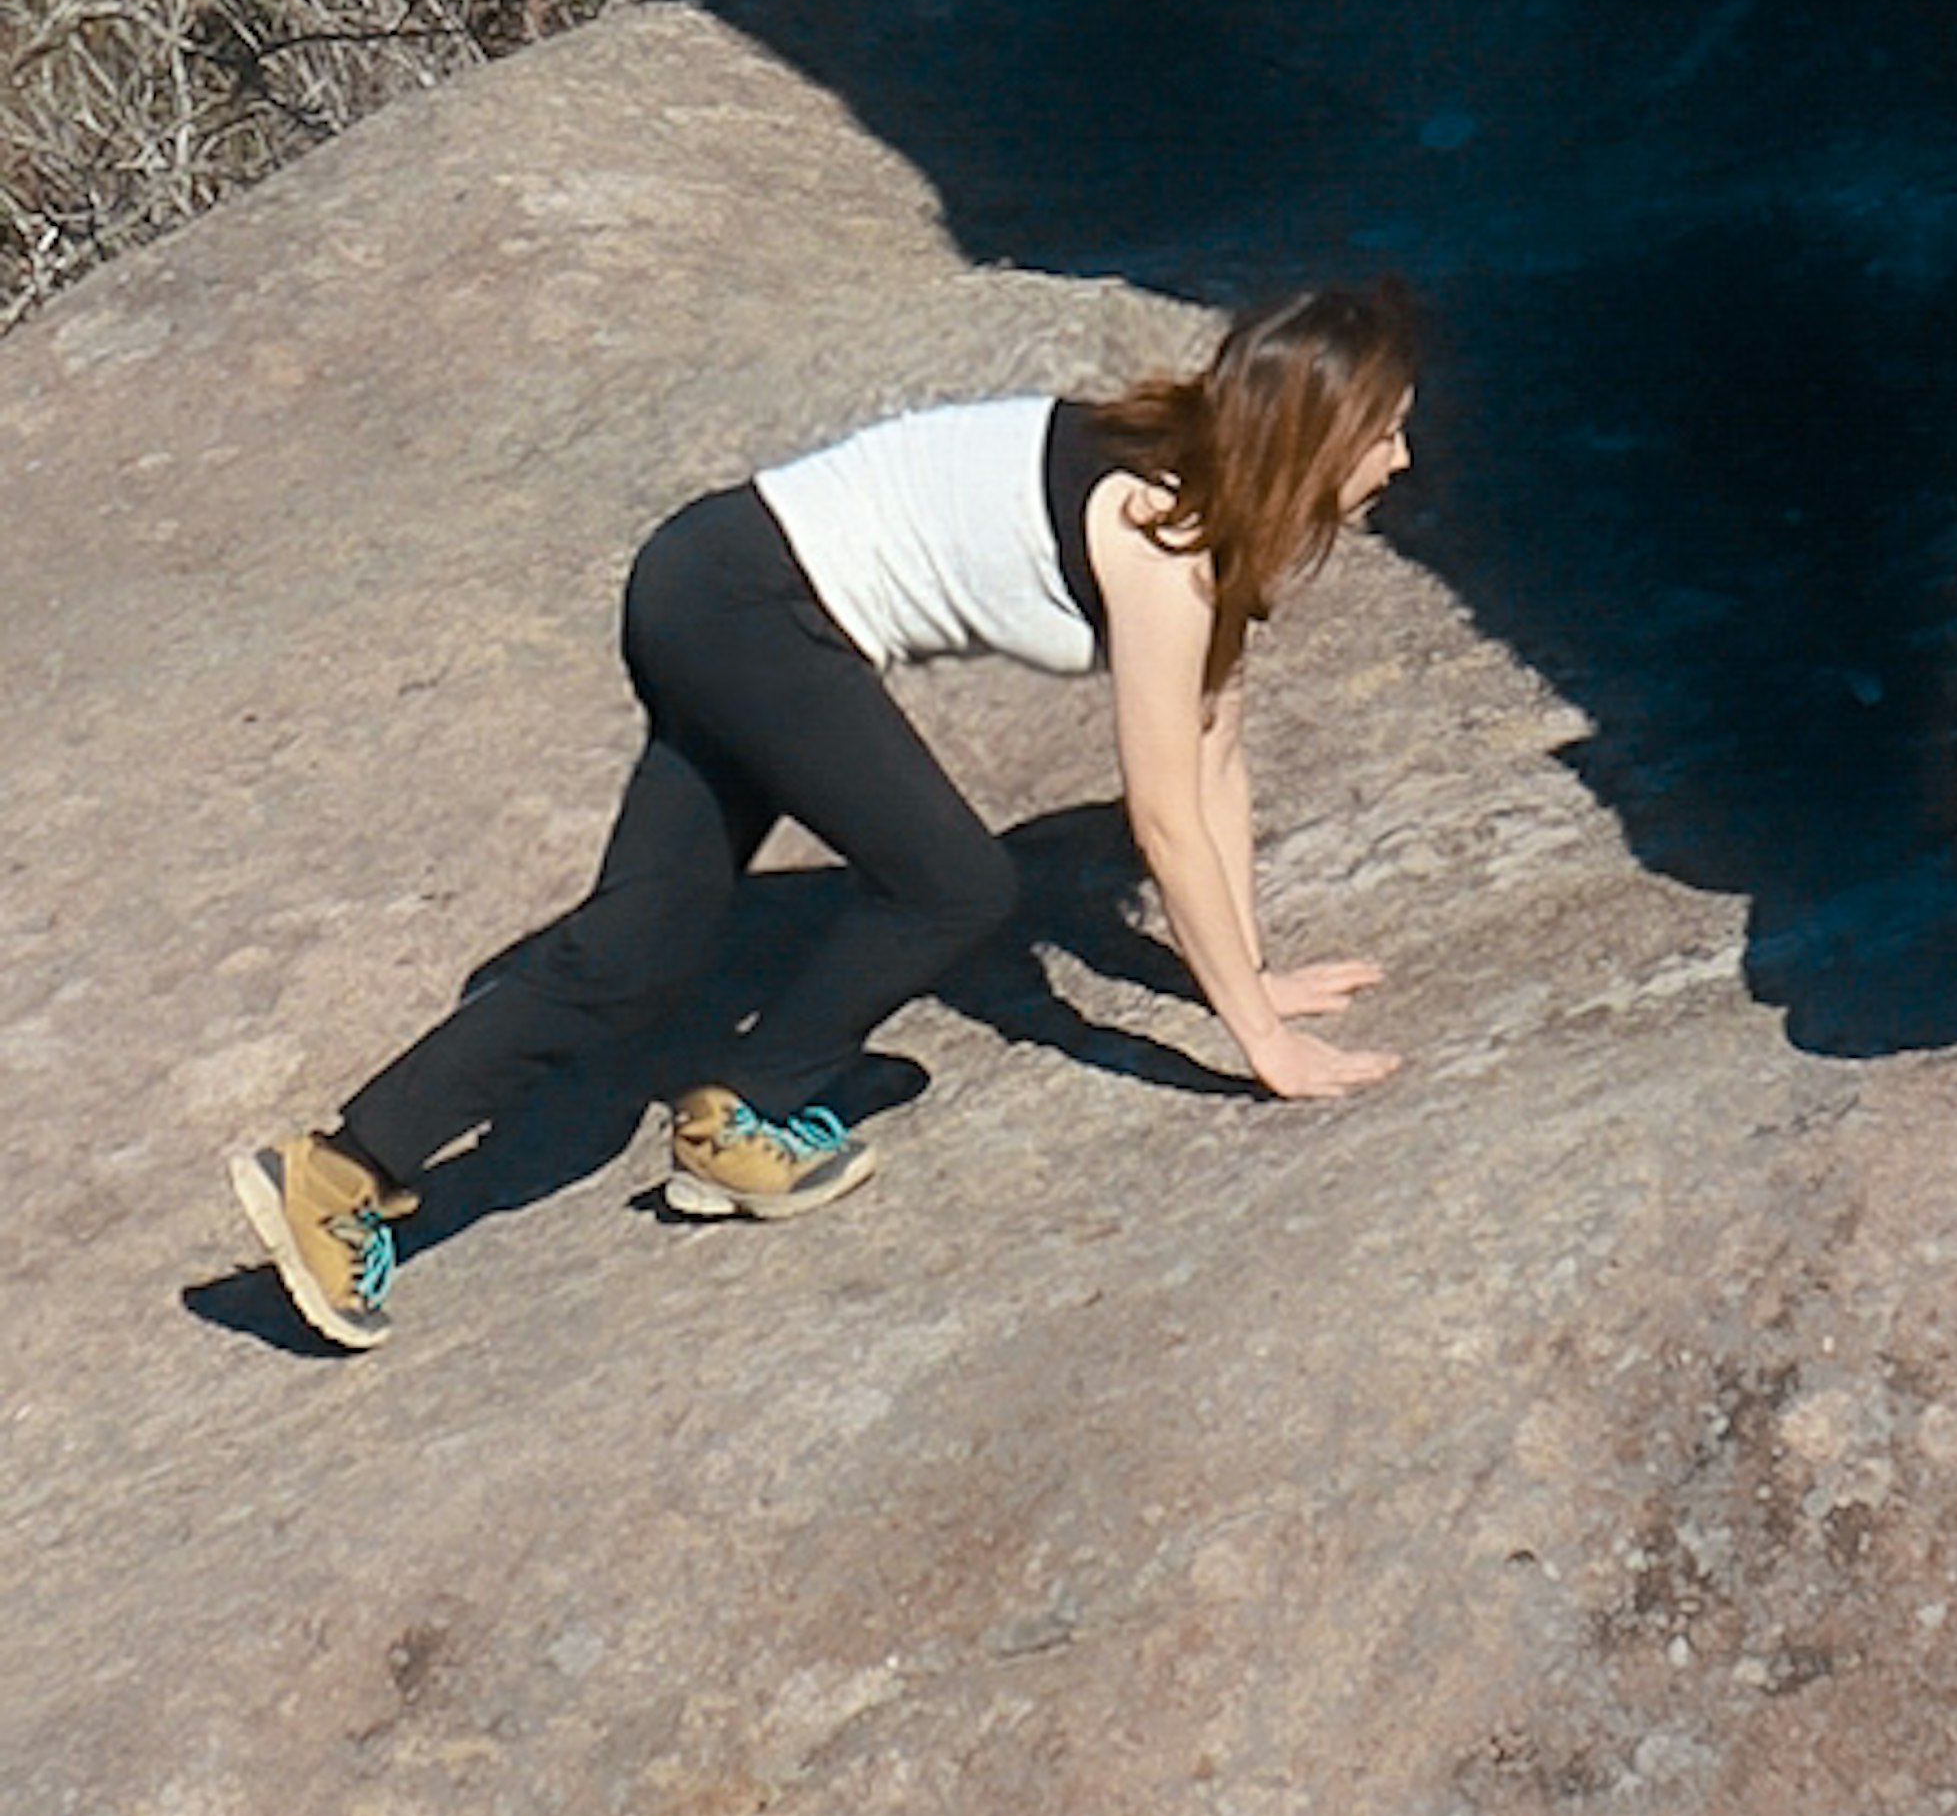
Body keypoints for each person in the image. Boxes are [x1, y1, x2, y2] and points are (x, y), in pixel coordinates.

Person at [229, 282, 1417, 1354]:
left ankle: (338, 1167)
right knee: (956, 881)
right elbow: (1164, 813)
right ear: (1309, 439)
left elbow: (1215, 750)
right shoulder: (1158, 528)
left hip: (710, 579)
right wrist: (1257, 1041)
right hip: (749, 604)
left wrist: (1252, 974)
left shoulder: (1204, 491)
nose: (1402, 459)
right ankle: (741, 1107)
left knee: (640, 947)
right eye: (1384, 432)